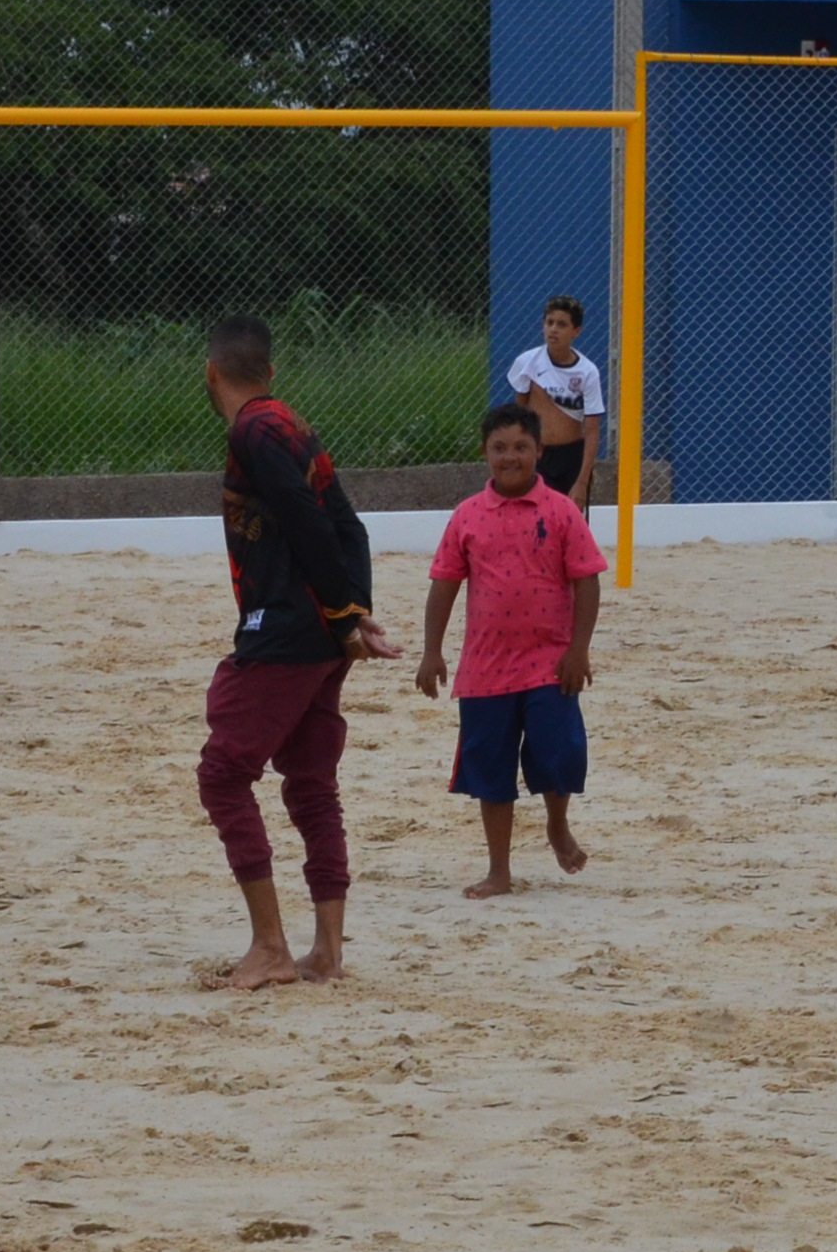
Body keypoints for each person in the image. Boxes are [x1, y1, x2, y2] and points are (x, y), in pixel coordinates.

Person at [196, 315, 398, 991]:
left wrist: (345, 616)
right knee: (311, 783)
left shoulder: (251, 430)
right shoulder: (292, 423)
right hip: (318, 631)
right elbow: (349, 524)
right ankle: (328, 952)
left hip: (284, 627)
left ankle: (271, 947)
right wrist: (354, 613)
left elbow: (311, 521)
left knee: (224, 773)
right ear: (272, 373)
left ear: (212, 374)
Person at [417, 404, 605, 897]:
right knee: (490, 772)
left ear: (539, 452)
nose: (510, 457)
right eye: (499, 448)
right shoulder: (467, 516)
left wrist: (578, 649)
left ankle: (556, 824)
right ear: (485, 453)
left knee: (557, 755)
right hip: (485, 671)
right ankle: (499, 869)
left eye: (521, 447)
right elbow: (444, 584)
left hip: (550, 663)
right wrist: (431, 652)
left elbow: (586, 580)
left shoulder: (561, 511)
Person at [504, 295, 607, 503]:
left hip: (572, 457)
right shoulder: (528, 363)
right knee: (540, 521)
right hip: (540, 456)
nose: (553, 329)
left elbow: (593, 429)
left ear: (576, 331)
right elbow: (521, 417)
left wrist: (582, 482)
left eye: (561, 324)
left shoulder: (587, 372)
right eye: (549, 323)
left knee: (571, 523)